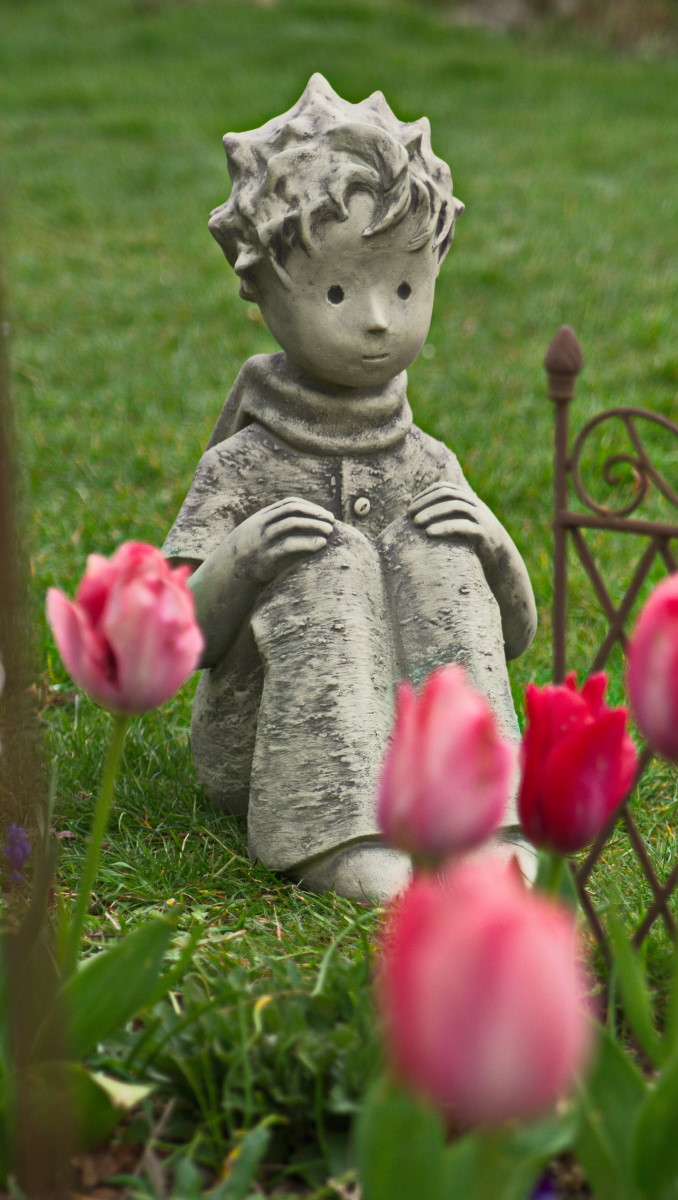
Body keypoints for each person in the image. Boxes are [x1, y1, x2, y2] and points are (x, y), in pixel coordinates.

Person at [163, 74, 536, 900]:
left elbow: (513, 636)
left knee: (441, 544)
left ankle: (479, 814)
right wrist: (243, 558)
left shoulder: (426, 460)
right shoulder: (243, 465)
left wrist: (492, 545)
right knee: (320, 560)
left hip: (417, 741)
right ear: (262, 291)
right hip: (265, 753)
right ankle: (337, 831)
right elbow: (180, 639)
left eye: (403, 288)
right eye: (337, 290)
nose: (377, 318)